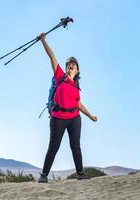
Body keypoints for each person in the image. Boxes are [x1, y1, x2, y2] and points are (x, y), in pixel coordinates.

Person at [37, 33, 98, 183]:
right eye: (68, 64)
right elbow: (52, 56)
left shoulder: (76, 87)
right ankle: (43, 176)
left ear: (77, 70)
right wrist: (43, 41)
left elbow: (78, 104)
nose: (71, 65)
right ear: (66, 68)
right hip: (58, 119)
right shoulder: (60, 77)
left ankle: (81, 174)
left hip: (74, 119)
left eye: (74, 64)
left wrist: (90, 116)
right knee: (54, 147)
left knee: (75, 146)